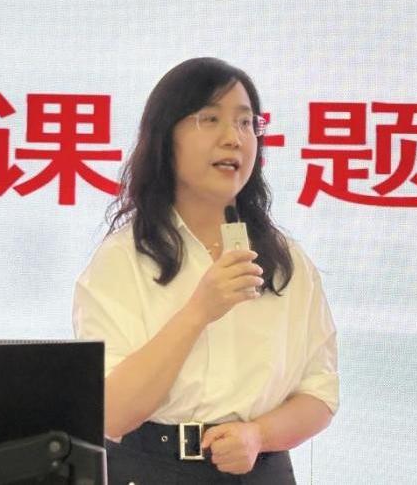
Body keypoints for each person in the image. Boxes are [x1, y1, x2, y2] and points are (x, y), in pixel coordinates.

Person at [72, 57, 339, 484]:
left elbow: (320, 394)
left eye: (246, 123)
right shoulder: (123, 258)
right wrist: (199, 311)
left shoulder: (286, 260)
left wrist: (258, 435)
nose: (233, 138)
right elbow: (113, 414)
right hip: (150, 469)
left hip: (261, 470)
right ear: (166, 138)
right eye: (210, 119)